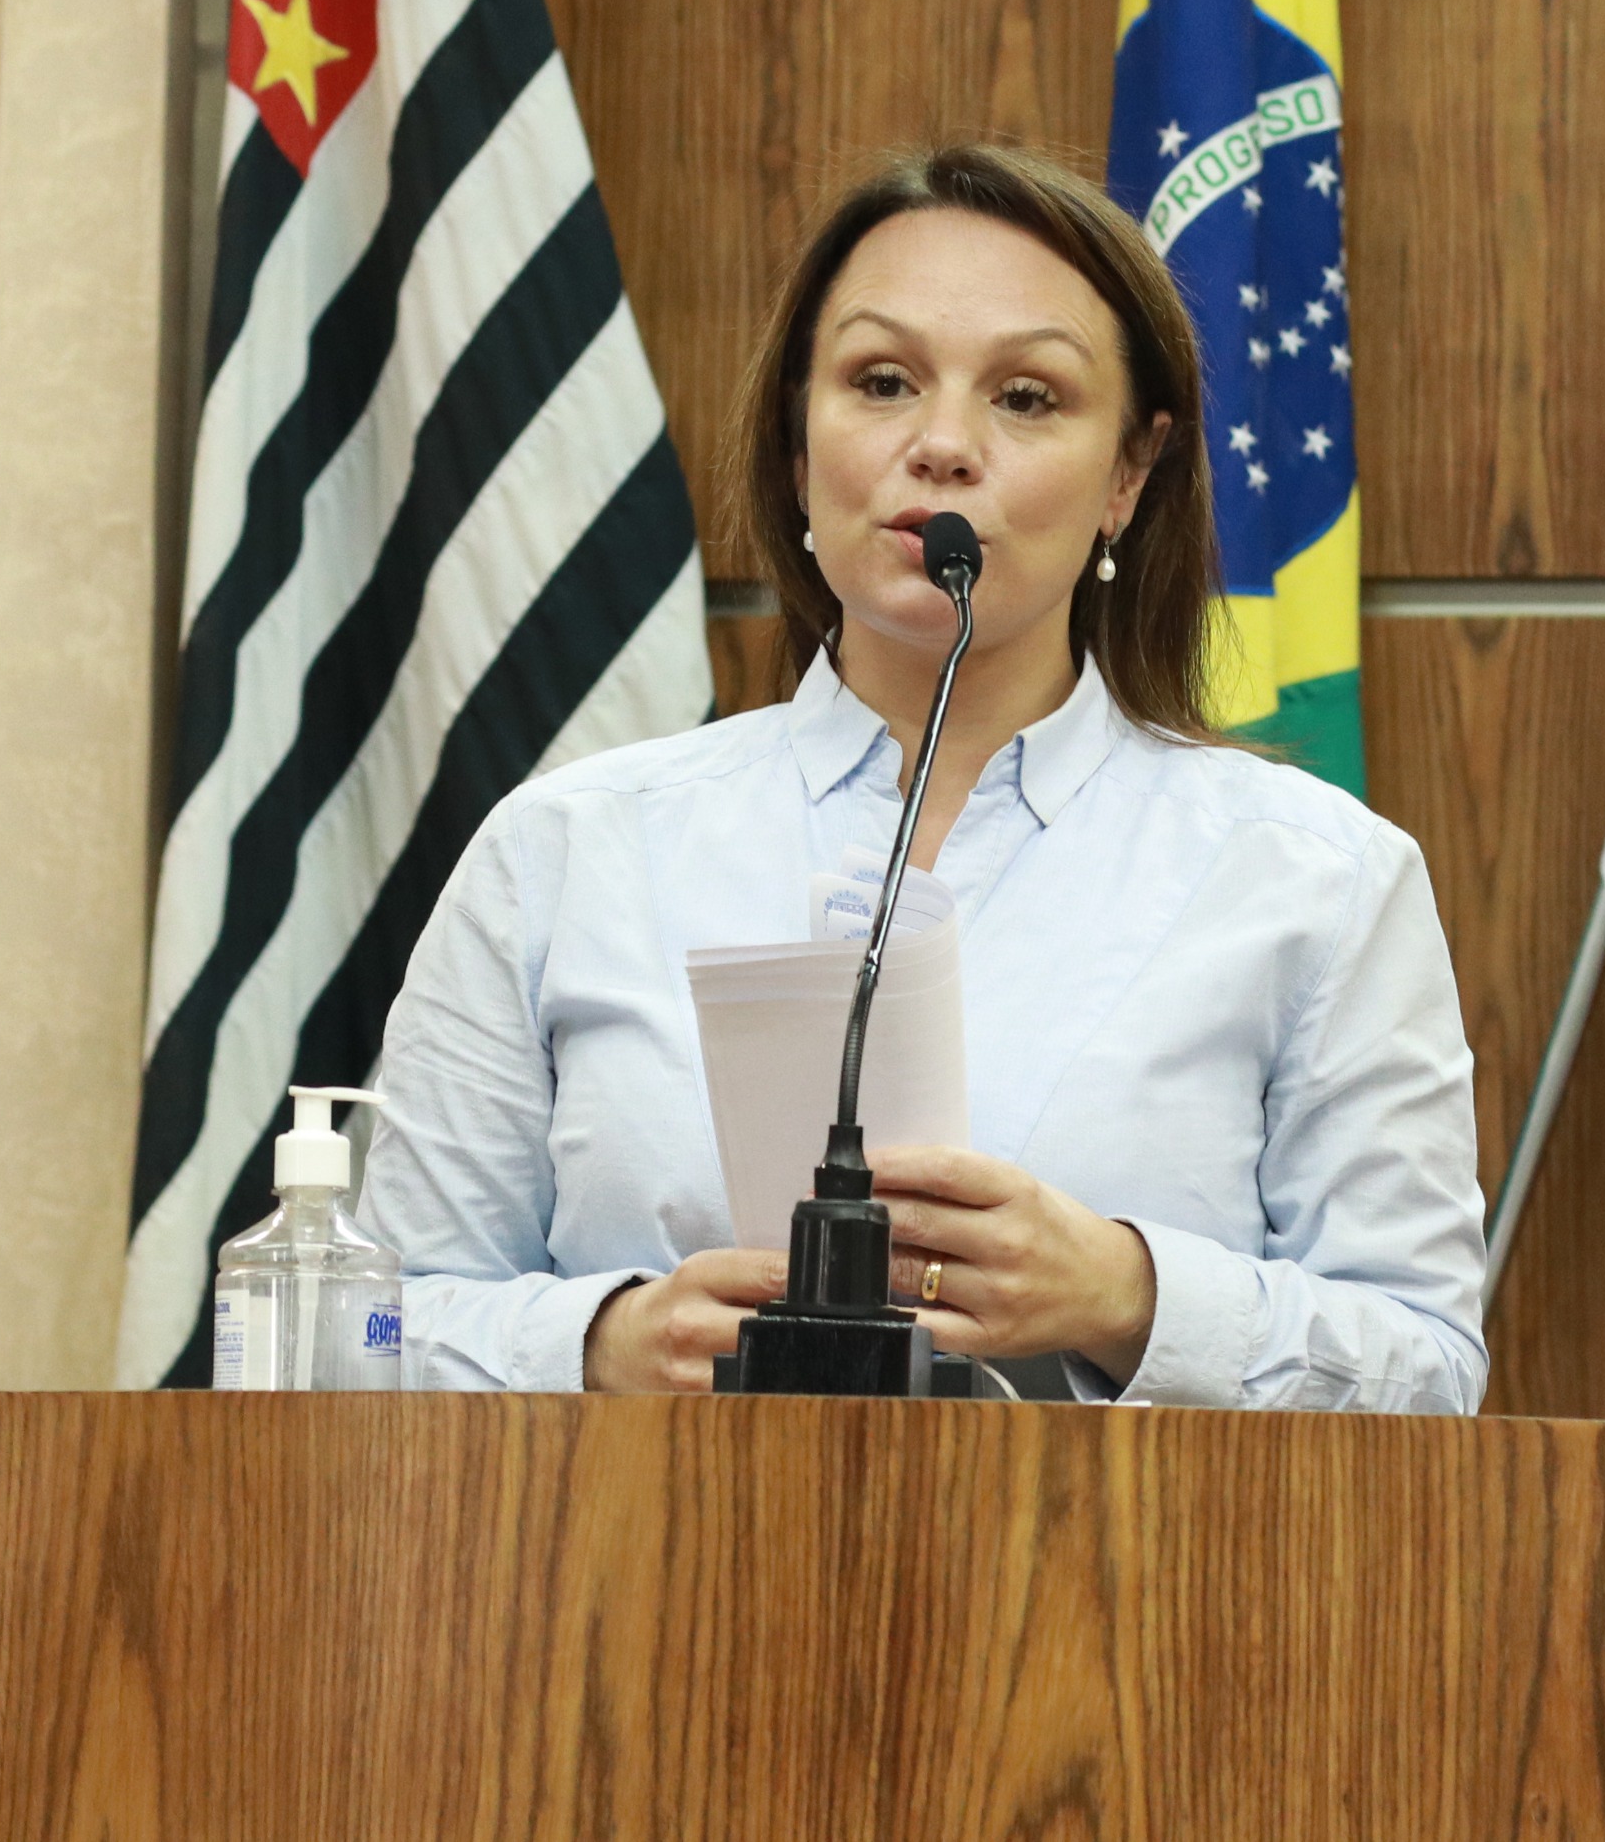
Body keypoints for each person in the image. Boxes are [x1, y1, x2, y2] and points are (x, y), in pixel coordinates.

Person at [364, 143, 1485, 1410]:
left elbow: (1428, 1371)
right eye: (882, 381)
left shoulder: (1316, 878)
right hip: (636, 1540)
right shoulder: (564, 851)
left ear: (1128, 475)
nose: (942, 444)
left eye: (1027, 396)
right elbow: (370, 1330)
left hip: (1109, 1547)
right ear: (798, 447)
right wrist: (599, 1345)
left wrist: (1132, 1297)